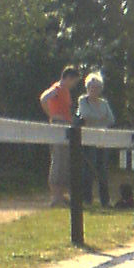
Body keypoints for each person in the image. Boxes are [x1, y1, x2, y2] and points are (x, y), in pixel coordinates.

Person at [39, 64, 79, 205]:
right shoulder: (58, 88)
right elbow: (44, 98)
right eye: (74, 81)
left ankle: (60, 195)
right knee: (58, 160)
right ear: (68, 78)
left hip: (66, 126)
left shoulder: (65, 92)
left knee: (63, 161)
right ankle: (55, 196)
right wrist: (52, 115)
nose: (74, 85)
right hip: (58, 125)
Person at [76, 71, 115, 206]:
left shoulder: (104, 103)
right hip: (87, 139)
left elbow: (111, 119)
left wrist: (96, 119)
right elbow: (85, 114)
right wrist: (100, 119)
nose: (94, 90)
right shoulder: (83, 100)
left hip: (102, 140)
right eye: (91, 87)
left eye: (97, 87)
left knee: (103, 170)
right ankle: (87, 199)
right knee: (88, 170)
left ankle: (105, 200)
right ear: (87, 88)